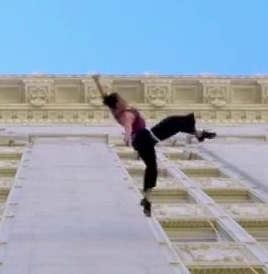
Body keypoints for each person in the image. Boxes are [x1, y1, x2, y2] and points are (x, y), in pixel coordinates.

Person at [92, 74, 216, 216]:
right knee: (172, 122)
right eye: (121, 99)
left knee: (152, 166)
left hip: (143, 140)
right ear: (118, 104)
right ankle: (198, 134)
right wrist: (127, 137)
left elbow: (105, 97)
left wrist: (96, 81)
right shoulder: (126, 115)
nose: (124, 100)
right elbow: (128, 126)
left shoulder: (115, 110)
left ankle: (147, 199)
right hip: (144, 137)